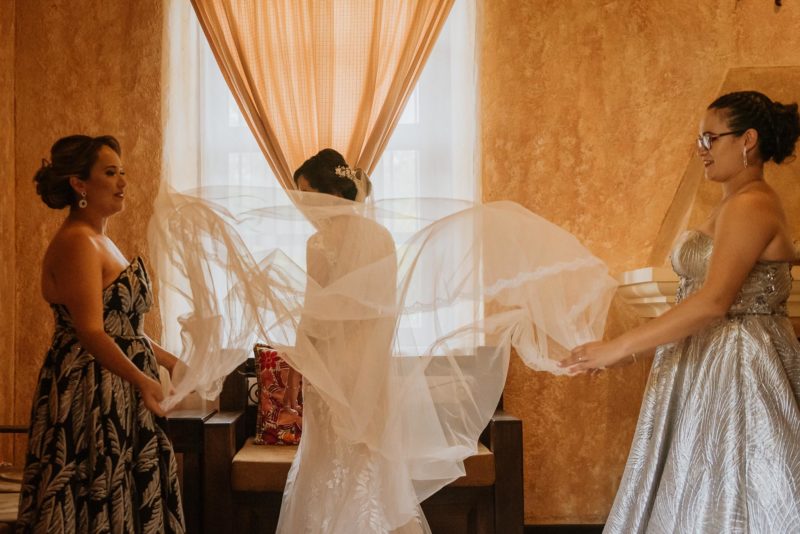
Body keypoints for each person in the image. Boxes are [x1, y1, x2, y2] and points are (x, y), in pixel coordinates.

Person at [562, 91, 800, 532]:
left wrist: (616, 348)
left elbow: (712, 302)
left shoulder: (752, 204)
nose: (701, 151)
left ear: (747, 140)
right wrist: (628, 353)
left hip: (738, 368)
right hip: (704, 361)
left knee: (738, 492)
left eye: (710, 139)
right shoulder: (735, 203)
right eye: (699, 140)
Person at [17, 135, 185, 533]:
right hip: (90, 393)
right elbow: (91, 331)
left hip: (119, 387)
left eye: (122, 172)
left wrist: (171, 362)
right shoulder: (77, 241)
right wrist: (144, 379)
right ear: (80, 185)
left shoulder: (102, 240)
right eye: (110, 173)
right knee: (95, 498)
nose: (122, 181)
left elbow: (124, 330)